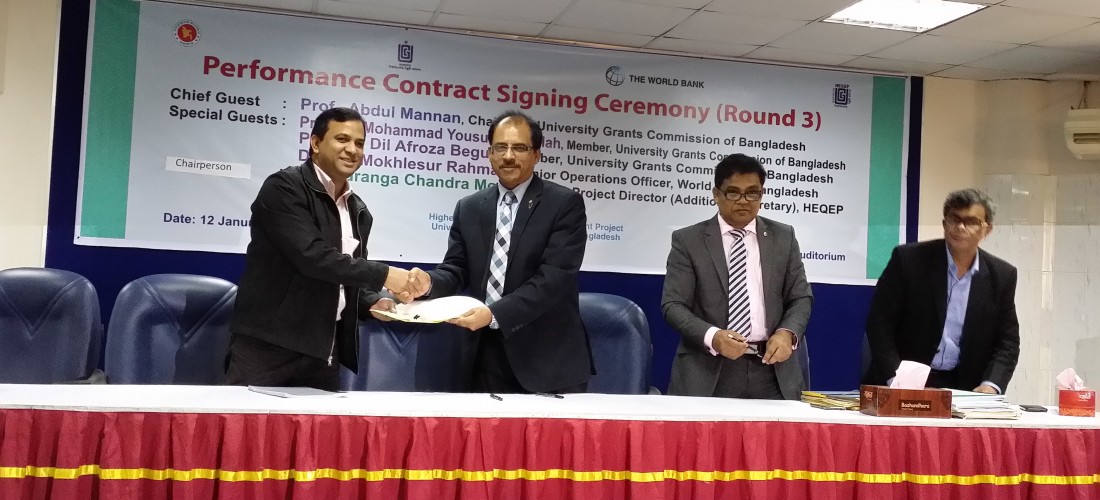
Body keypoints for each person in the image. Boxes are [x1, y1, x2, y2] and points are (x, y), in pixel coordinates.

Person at [226, 107, 421, 391]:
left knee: (318, 424)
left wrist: (370, 302)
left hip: (324, 351)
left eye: (359, 143)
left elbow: (345, 279)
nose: (352, 150)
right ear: (316, 143)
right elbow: (312, 257)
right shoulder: (283, 188)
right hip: (266, 349)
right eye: (342, 139)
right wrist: (385, 275)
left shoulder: (357, 210)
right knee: (247, 422)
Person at [408, 110, 593, 394]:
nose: (508, 156)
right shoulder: (469, 207)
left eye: (519, 148)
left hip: (547, 361)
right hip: (484, 357)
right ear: (489, 154)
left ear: (536, 155)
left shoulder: (564, 204)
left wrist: (493, 314)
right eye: (500, 147)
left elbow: (553, 279)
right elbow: (456, 268)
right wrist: (429, 283)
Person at [662, 153, 813, 400]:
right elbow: (673, 305)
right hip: (709, 370)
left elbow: (800, 298)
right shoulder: (688, 241)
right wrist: (713, 336)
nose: (743, 201)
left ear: (762, 194)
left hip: (772, 371)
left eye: (752, 193)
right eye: (733, 193)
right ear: (716, 194)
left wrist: (787, 333)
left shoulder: (783, 237)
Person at [864, 188, 1019, 394]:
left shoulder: (1002, 275)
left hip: (965, 389)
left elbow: (1007, 342)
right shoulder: (908, 260)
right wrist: (897, 378)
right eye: (955, 219)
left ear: (987, 229)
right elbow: (879, 322)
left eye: (971, 222)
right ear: (944, 223)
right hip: (902, 382)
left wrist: (991, 385)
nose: (960, 227)